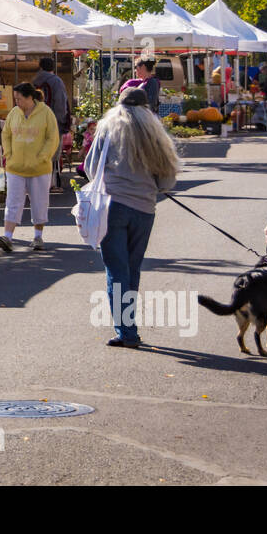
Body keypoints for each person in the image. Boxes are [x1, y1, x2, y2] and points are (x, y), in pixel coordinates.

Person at [84, 87, 179, 347]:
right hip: (145, 210)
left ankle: (127, 332)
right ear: (146, 108)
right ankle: (129, 326)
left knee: (116, 270)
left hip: (113, 206)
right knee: (132, 270)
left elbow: (92, 168)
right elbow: (167, 179)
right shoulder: (154, 132)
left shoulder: (108, 128)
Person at [0, 82, 59, 252]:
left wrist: (43, 156)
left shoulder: (46, 113)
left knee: (39, 202)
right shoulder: (14, 113)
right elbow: (6, 134)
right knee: (13, 202)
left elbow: (52, 137)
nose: (17, 102)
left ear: (30, 97)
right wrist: (8, 153)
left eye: (19, 98)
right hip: (15, 167)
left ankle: (38, 237)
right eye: (15, 98)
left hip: (39, 168)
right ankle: (7, 236)